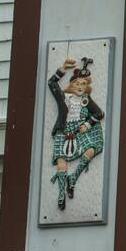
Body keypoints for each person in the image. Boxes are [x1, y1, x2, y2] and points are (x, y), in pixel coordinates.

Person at [48, 57, 105, 210]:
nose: (80, 86)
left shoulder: (86, 100)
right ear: (71, 85)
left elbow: (99, 113)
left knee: (92, 148)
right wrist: (62, 69)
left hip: (79, 131)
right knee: (61, 161)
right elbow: (51, 83)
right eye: (77, 84)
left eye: (83, 84)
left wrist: (88, 124)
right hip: (63, 130)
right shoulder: (63, 98)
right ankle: (61, 193)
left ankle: (73, 177)